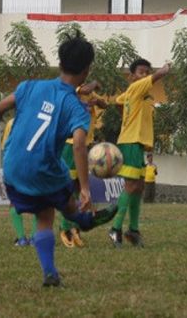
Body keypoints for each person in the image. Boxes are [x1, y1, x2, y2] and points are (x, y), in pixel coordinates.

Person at [0, 34, 118, 287]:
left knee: (46, 206)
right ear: (87, 69)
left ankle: (55, 265)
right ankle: (81, 223)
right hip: (44, 169)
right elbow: (79, 144)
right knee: (51, 211)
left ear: (60, 61)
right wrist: (87, 189)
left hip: (11, 168)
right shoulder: (76, 106)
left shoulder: (29, 86)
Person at [109, 58, 171, 248]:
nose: (144, 75)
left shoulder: (139, 94)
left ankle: (133, 230)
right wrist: (166, 67)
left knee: (139, 187)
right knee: (131, 185)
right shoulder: (136, 88)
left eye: (146, 72)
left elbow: (119, 102)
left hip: (139, 143)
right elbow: (158, 75)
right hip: (130, 142)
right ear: (132, 76)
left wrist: (128, 117)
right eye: (141, 72)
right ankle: (116, 228)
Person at [59, 81, 109, 249]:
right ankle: (65, 229)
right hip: (71, 144)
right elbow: (85, 89)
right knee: (69, 188)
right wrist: (95, 84)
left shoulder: (89, 94)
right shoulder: (74, 89)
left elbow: (105, 104)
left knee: (80, 188)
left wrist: (96, 101)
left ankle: (75, 228)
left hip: (83, 145)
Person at [2, 118, 37, 247]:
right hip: (35, 164)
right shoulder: (41, 119)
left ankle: (22, 238)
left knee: (15, 201)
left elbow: (5, 147)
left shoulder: (12, 122)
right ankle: (34, 239)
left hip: (16, 164)